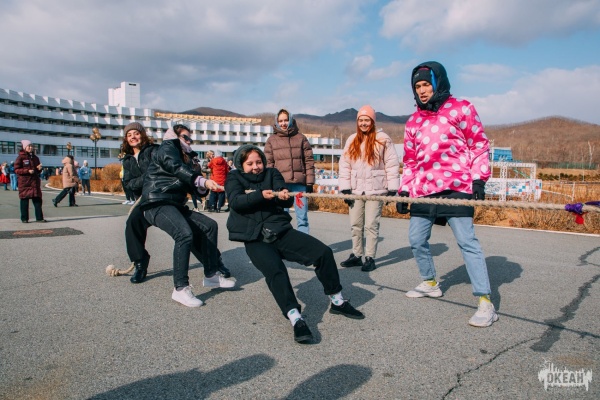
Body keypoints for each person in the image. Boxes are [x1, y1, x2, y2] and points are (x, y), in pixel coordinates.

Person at [225, 144, 364, 343]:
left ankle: (337, 301)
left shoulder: (272, 173)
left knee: (323, 253)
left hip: (280, 231)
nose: (256, 167)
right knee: (276, 271)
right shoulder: (234, 178)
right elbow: (236, 201)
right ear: (241, 165)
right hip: (254, 238)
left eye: (259, 162)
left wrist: (283, 194)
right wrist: (260, 194)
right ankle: (295, 318)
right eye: (250, 164)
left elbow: (286, 199)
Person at [398, 61, 497, 328]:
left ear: (437, 83)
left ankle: (485, 301)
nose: (422, 90)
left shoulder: (461, 108)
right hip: (423, 189)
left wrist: (479, 179)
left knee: (467, 242)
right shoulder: (413, 121)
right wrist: (405, 189)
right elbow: (410, 160)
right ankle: (430, 282)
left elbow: (478, 144)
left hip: (456, 186)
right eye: (417, 86)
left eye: (426, 84)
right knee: (416, 239)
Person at [139, 124, 236, 305]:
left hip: (175, 205)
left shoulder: (189, 158)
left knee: (210, 226)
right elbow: (174, 167)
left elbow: (194, 187)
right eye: (185, 137)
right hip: (156, 202)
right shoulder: (167, 148)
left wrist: (204, 186)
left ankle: (211, 275)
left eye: (191, 138)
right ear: (174, 136)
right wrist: (201, 180)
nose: (189, 141)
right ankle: (180, 288)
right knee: (184, 234)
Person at [338, 105, 400, 272]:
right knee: (355, 224)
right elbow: (345, 165)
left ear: (372, 121)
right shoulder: (352, 140)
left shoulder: (383, 139)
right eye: (361, 120)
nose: (363, 123)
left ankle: (370, 257)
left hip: (376, 189)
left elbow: (392, 164)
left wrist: (392, 188)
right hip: (356, 189)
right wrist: (345, 188)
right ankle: (356, 255)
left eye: (367, 120)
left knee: (371, 224)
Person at [264, 109, 315, 234]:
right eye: (280, 121)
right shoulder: (271, 140)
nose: (283, 123)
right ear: (277, 122)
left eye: (286, 120)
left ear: (291, 120)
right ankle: (284, 241)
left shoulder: (301, 138)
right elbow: (269, 163)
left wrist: (309, 182)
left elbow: (308, 161)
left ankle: (304, 241)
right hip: (280, 185)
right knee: (282, 217)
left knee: (302, 217)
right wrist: (270, 182)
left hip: (299, 184)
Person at [14, 140, 46, 223]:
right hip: (25, 183)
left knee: (38, 200)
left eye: (32, 146)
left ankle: (39, 218)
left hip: (34, 182)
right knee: (24, 201)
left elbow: (37, 171)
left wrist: (39, 169)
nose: (31, 148)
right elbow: (16, 169)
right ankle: (24, 218)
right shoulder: (20, 157)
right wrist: (27, 171)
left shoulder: (35, 158)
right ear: (25, 147)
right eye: (29, 146)